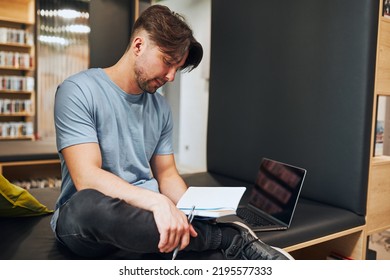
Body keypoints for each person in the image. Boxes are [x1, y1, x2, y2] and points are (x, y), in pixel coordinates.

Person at [51, 4, 291, 260]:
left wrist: (200, 208)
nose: (171, 76)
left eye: (177, 68)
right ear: (139, 45)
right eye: (167, 62)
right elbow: (87, 177)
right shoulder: (78, 91)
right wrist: (156, 202)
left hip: (149, 222)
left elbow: (166, 175)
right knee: (87, 206)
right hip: (92, 225)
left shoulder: (160, 107)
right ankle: (230, 239)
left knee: (205, 252)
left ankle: (219, 236)